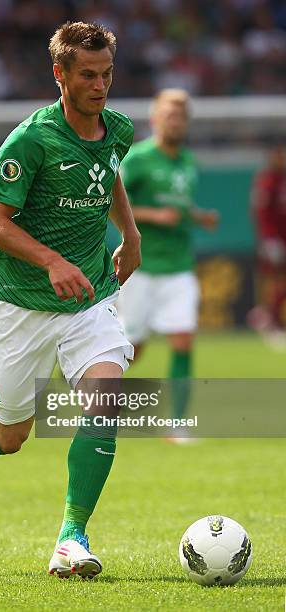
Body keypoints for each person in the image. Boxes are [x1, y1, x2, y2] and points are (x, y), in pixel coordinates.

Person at [0, 21, 141, 579]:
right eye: (88, 75)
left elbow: (111, 173)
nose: (100, 86)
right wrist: (50, 260)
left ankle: (71, 537)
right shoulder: (31, 139)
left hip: (89, 297)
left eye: (106, 74)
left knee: (106, 398)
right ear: (60, 74)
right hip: (18, 305)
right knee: (12, 434)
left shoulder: (117, 128)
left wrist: (131, 233)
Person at [119, 89, 218, 441]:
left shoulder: (188, 162)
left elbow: (180, 205)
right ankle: (89, 388)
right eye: (169, 115)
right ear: (155, 119)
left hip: (178, 266)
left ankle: (176, 423)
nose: (175, 121)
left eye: (181, 116)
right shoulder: (138, 159)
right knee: (133, 348)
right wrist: (153, 215)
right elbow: (113, 203)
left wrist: (198, 216)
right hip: (142, 267)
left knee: (183, 339)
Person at [248, 145, 286, 347]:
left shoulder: (282, 179)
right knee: (273, 281)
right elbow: (261, 213)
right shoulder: (267, 181)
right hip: (273, 241)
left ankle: (266, 315)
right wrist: (269, 238)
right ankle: (269, 319)